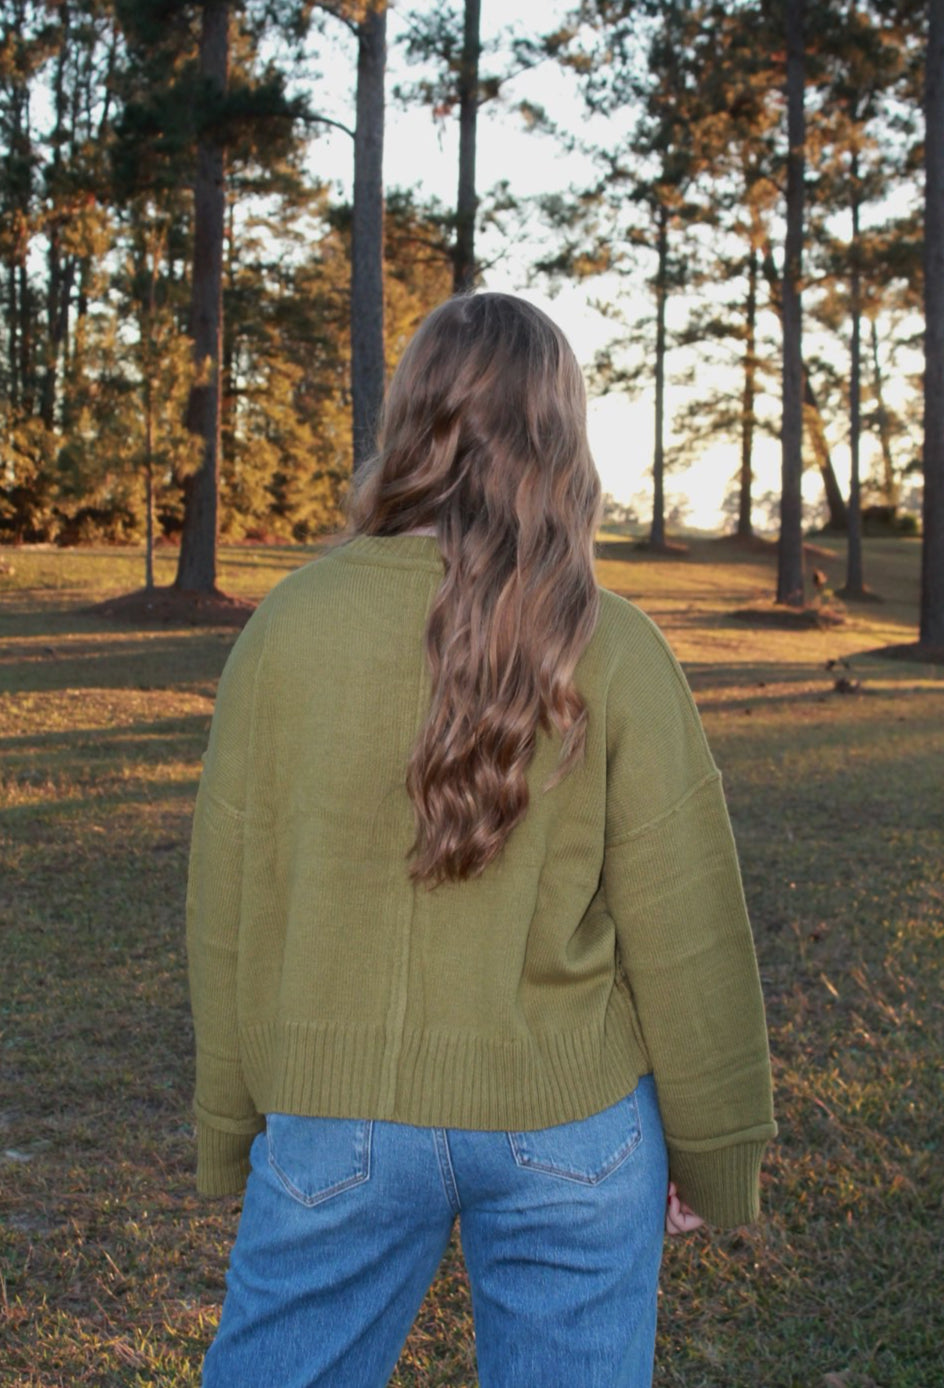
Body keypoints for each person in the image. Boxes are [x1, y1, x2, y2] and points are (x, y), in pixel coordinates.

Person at [186, 291, 776, 1388]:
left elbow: (229, 902)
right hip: (573, 1127)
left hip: (335, 1120)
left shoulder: (289, 628)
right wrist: (713, 1140)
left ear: (412, 418)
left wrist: (231, 1117)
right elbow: (686, 921)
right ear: (561, 436)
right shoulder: (619, 644)